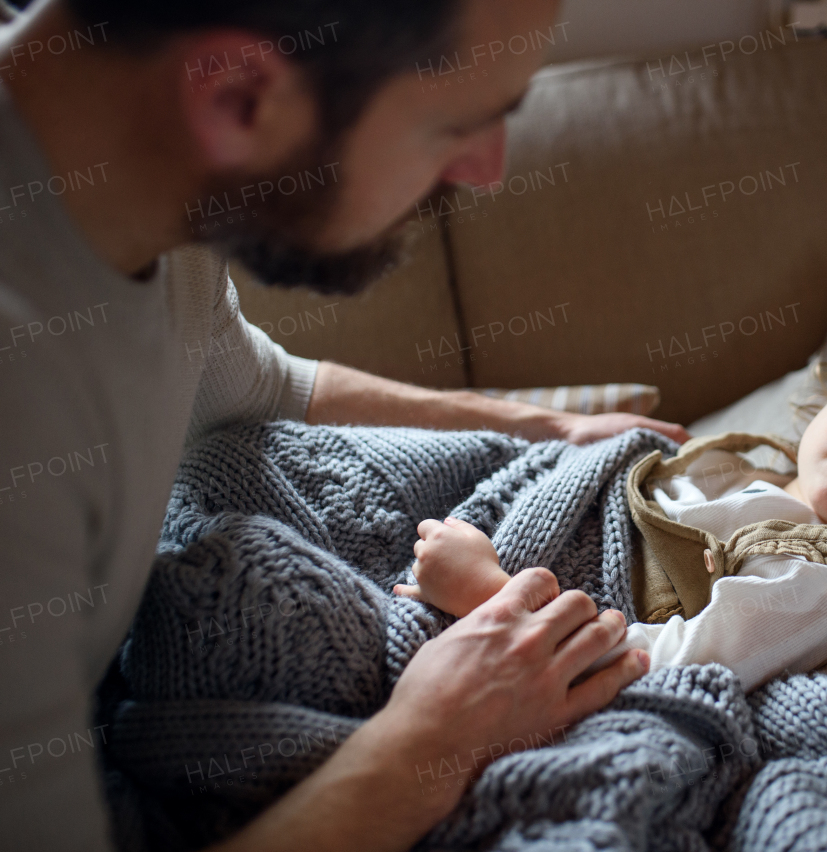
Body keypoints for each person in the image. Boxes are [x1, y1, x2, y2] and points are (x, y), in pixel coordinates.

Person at [0, 0, 689, 849]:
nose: (487, 170)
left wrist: (545, 424)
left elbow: (250, 382)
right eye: (457, 126)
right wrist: (437, 738)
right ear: (240, 96)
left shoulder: (143, 173)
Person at [396, 293, 827, 692]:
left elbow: (672, 668)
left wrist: (490, 594)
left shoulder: (821, 576)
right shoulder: (746, 468)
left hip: (510, 610)